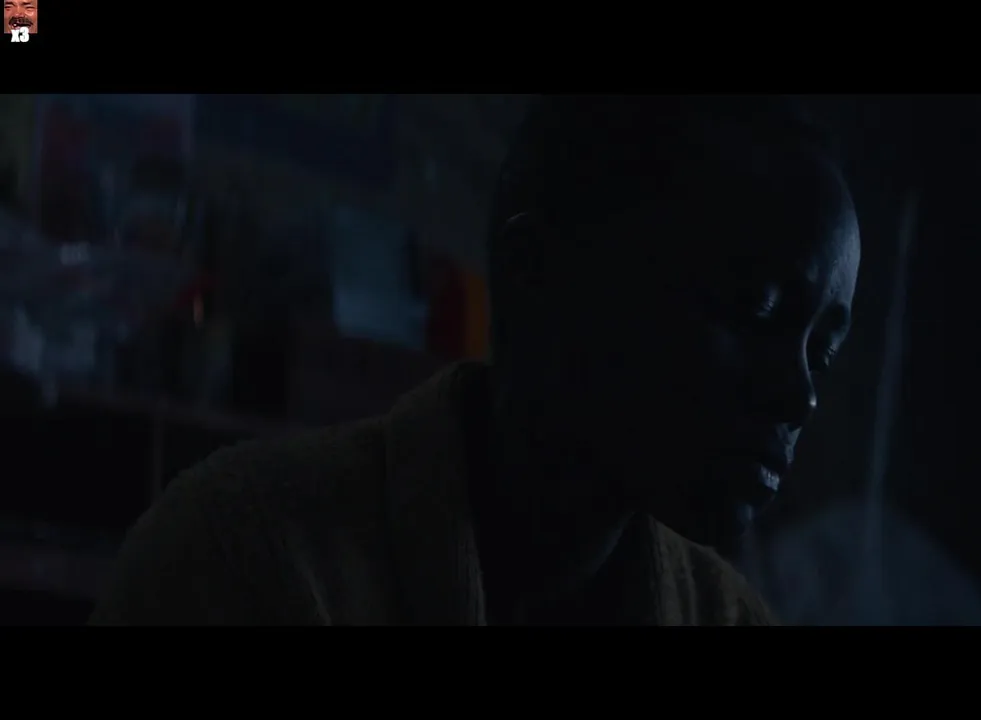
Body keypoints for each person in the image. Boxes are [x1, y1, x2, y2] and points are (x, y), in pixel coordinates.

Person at [89, 95, 862, 625]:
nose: (798, 395)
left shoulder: (730, 617)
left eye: (822, 352)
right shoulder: (246, 561)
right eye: (754, 309)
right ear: (538, 270)